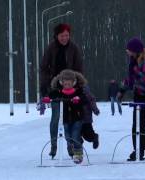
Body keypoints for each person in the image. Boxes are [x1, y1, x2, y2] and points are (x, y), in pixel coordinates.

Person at [40, 23, 83, 158]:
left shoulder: (74, 48)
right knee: (56, 117)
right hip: (54, 87)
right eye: (62, 36)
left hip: (70, 88)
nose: (65, 38)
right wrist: (45, 86)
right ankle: (53, 146)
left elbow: (79, 68)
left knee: (69, 119)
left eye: (67, 35)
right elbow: (43, 68)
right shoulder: (51, 48)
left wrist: (77, 86)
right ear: (56, 36)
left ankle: (70, 145)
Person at [48, 69, 87, 163]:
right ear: (61, 83)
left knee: (75, 135)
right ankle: (71, 149)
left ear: (73, 83)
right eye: (65, 84)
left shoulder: (78, 91)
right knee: (67, 136)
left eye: (69, 84)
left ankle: (78, 154)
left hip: (77, 118)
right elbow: (52, 95)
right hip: (65, 119)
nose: (67, 85)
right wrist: (47, 98)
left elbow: (84, 98)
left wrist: (78, 99)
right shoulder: (60, 92)